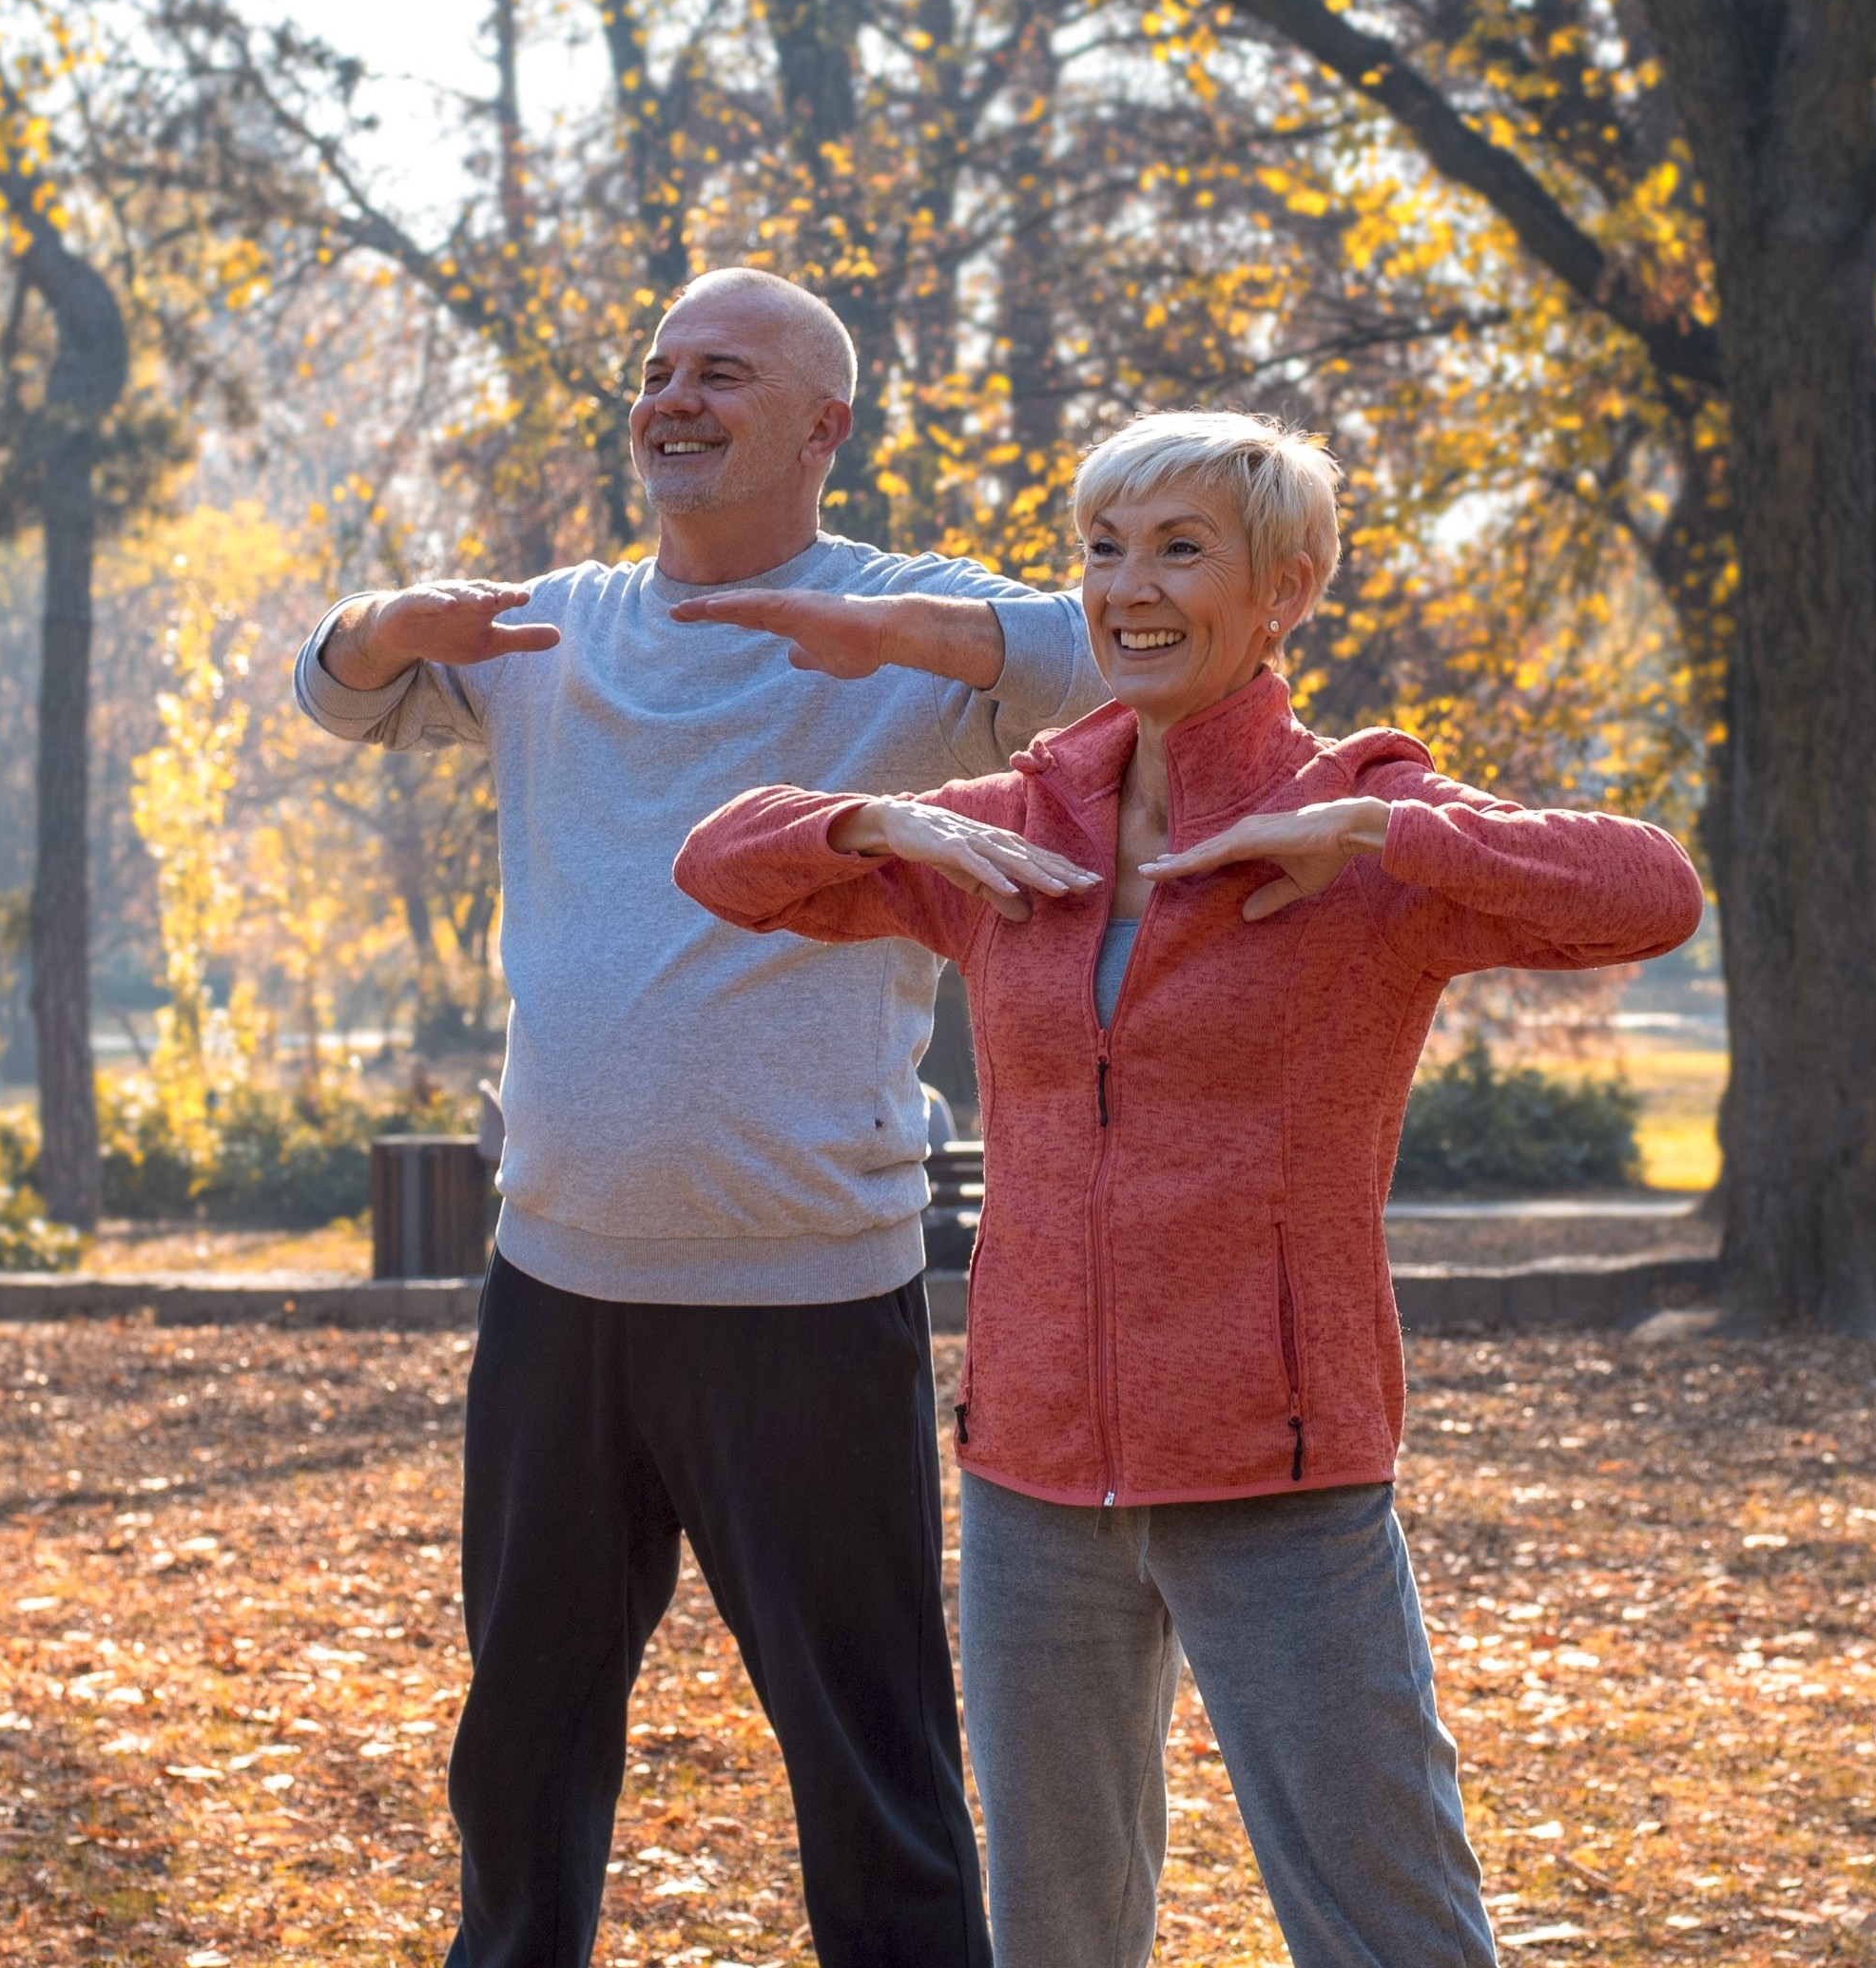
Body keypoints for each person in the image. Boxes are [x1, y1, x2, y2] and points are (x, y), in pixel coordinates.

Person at [670, 411, 1705, 1968]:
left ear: (1281, 589)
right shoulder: (1014, 826)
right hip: (1029, 1479)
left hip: (1276, 1477)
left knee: (1390, 1935)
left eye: (1174, 548)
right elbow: (719, 863)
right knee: (1059, 1942)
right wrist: (870, 817)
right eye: (1098, 548)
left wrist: (1379, 829)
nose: (1124, 586)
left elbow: (1652, 889)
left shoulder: (1364, 825)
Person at [296, 267, 1110, 1968]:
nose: (671, 396)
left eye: (720, 374)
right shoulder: (551, 624)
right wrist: (382, 622)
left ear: (824, 427)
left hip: (804, 1297)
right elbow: (337, 693)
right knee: (517, 1757)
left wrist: (892, 637)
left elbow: (1114, 651)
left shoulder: (918, 618)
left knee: (872, 1762)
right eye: (658, 369)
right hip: (557, 1292)